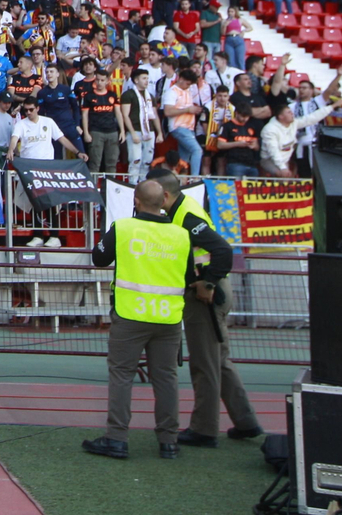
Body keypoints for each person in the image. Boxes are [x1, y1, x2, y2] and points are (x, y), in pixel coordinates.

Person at [83, 179, 226, 461]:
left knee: (122, 375)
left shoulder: (124, 227)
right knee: (166, 378)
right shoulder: (181, 235)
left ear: (136, 201)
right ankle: (168, 442)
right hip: (169, 317)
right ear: (164, 202)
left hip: (130, 314)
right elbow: (187, 276)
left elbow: (98, 258)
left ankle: (117, 438)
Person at [146, 171, 261, 449]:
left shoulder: (185, 216)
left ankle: (204, 429)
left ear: (164, 195)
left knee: (204, 364)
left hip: (205, 296)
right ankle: (246, 421)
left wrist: (207, 283)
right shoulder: (184, 210)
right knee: (218, 361)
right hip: (211, 292)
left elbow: (222, 249)